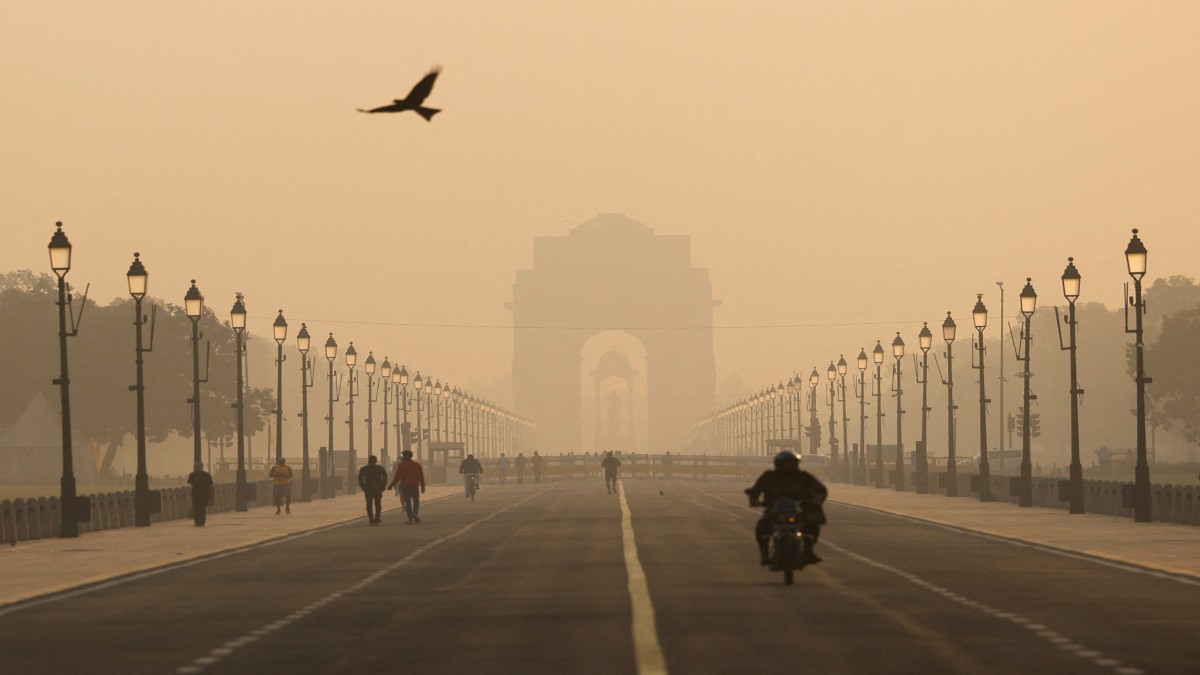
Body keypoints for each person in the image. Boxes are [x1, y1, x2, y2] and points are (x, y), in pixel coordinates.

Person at [745, 450, 827, 566]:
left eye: (791, 463)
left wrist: (816, 501)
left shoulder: (803, 477)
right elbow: (755, 490)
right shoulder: (769, 477)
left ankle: (809, 550)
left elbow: (820, 489)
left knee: (812, 524)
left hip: (798, 510)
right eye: (786, 463)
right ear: (778, 464)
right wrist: (754, 500)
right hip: (774, 510)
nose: (789, 466)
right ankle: (764, 554)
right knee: (762, 527)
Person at [387, 450, 426, 524]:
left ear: (404, 457)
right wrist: (423, 486)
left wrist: (391, 485)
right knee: (416, 500)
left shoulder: (401, 465)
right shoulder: (417, 465)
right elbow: (421, 477)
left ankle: (410, 518)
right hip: (414, 485)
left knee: (408, 502)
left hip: (405, 486)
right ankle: (415, 513)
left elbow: (397, 476)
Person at [358, 455, 389, 524]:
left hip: (368, 488)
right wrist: (383, 486)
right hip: (378, 488)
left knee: (369, 504)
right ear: (376, 461)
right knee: (378, 504)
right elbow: (385, 476)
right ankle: (377, 518)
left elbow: (360, 479)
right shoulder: (379, 468)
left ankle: (371, 519)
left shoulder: (364, 468)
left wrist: (363, 487)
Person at [187, 461, 214, 527]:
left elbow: (190, 482)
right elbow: (210, 483)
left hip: (196, 493)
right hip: (205, 493)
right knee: (203, 507)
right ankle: (202, 520)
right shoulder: (206, 475)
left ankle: (197, 520)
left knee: (196, 506)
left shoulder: (192, 475)